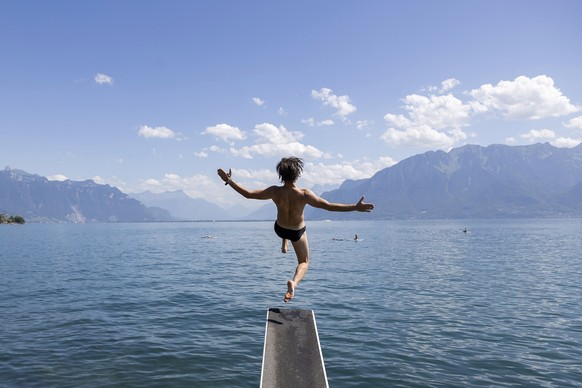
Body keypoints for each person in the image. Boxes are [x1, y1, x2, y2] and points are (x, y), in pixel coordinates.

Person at [217, 156, 374, 302]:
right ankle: (294, 282)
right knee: (304, 261)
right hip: (297, 232)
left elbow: (249, 194)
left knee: (282, 223)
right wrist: (355, 207)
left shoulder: (274, 191)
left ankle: (284, 243)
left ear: (281, 175)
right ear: (297, 175)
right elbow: (328, 206)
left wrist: (230, 181)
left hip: (280, 229)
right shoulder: (304, 194)